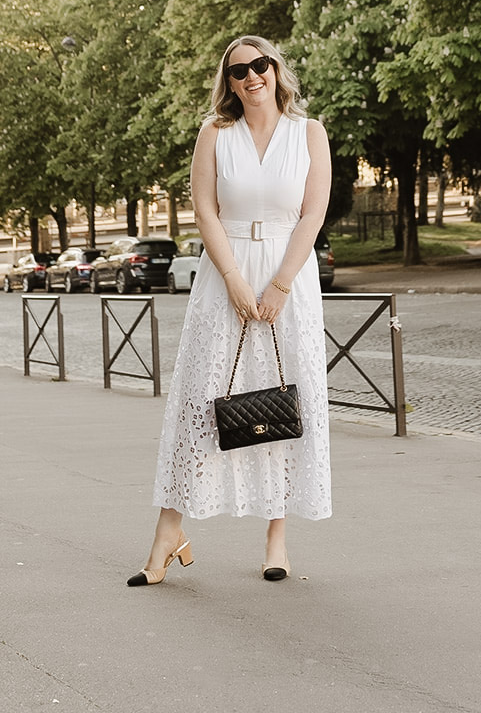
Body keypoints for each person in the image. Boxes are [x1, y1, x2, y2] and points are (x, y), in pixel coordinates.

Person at [128, 35, 332, 586]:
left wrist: (280, 286)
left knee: (284, 402)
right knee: (201, 403)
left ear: (275, 69)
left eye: (259, 65)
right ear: (230, 81)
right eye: (238, 70)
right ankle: (169, 533)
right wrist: (237, 282)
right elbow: (204, 211)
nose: (251, 77)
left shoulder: (308, 133)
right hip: (226, 276)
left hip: (290, 276)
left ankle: (277, 538)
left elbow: (313, 215)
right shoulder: (215, 134)